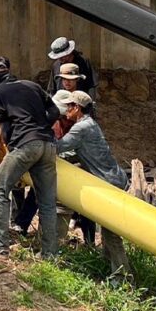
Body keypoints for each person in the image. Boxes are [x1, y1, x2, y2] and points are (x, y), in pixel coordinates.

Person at [0, 60, 60, 257]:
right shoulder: (32, 85)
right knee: (47, 201)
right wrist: (42, 127)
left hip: (26, 145)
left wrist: (12, 146)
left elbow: (5, 127)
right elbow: (55, 112)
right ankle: (50, 253)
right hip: (48, 145)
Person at [57, 90, 131, 276]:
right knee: (107, 230)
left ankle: (122, 276)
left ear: (77, 108)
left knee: (111, 234)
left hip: (108, 183)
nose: (66, 110)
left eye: (69, 106)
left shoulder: (81, 128)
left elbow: (58, 146)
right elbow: (78, 152)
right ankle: (109, 266)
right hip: (115, 179)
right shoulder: (90, 124)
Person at [11, 90, 74, 235]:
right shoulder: (52, 121)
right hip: (50, 161)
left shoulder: (75, 124)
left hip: (67, 165)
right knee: (36, 192)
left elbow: (71, 148)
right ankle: (22, 224)